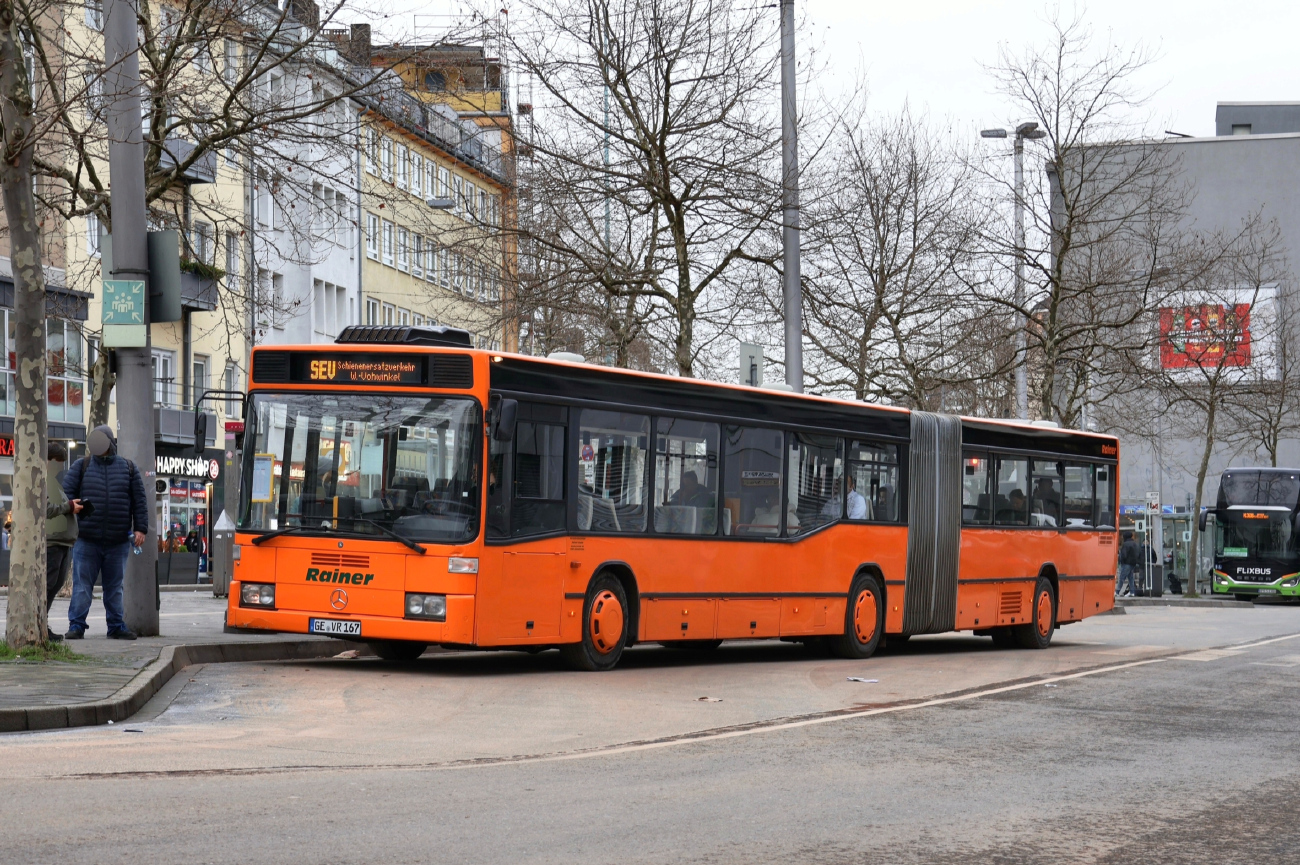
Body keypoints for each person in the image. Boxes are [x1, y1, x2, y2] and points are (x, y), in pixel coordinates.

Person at [62, 425, 150, 640]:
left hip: (118, 540)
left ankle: (116, 626)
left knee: (114, 587)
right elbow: (65, 496)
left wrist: (141, 528)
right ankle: (77, 625)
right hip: (87, 539)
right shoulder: (80, 466)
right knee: (82, 586)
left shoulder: (128, 468)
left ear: (110, 443)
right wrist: (71, 506)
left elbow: (139, 500)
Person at [45, 443, 82, 642]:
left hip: (62, 542)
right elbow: (47, 509)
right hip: (51, 542)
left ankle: (42, 622)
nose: (60, 468)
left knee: (56, 583)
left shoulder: (53, 482)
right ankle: (40, 623)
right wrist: (68, 506)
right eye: (58, 463)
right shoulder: (42, 480)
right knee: (48, 584)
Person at [1117, 531, 1140, 597]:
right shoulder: (1135, 544)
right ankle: (1132, 592)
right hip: (1133, 563)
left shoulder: (1126, 544)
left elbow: (1124, 554)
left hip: (1126, 563)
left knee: (1122, 577)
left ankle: (1117, 591)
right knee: (1130, 578)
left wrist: (1121, 561)